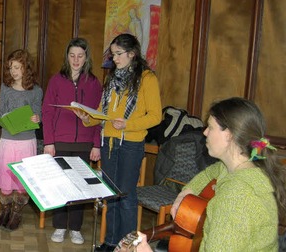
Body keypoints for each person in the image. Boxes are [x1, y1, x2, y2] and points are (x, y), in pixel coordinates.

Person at [118, 97, 286, 252]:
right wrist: (185, 193)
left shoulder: (236, 197)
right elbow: (212, 171)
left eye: (210, 127)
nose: (204, 132)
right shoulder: (245, 168)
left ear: (229, 136)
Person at [75, 33, 162, 251]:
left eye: (118, 54)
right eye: (112, 54)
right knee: (110, 195)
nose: (114, 59)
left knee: (126, 195)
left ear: (132, 54)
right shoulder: (112, 78)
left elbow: (155, 116)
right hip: (109, 142)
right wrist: (88, 119)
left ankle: (128, 246)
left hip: (131, 144)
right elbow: (105, 115)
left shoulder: (147, 79)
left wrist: (128, 124)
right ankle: (111, 242)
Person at [41, 38, 102, 244]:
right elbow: (47, 113)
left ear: (86, 58)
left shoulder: (94, 83)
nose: (76, 60)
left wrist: (96, 144)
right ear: (67, 57)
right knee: (59, 184)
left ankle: (75, 227)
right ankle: (59, 226)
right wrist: (49, 142)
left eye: (80, 56)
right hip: (59, 142)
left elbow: (98, 117)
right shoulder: (56, 80)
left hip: (84, 144)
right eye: (72, 55)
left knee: (79, 186)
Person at [0, 49, 42, 231]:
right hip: (8, 140)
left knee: (22, 178)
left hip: (26, 141)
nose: (14, 71)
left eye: (17, 67)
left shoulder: (36, 90)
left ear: (26, 67)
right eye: (11, 68)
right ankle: (7, 209)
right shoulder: (5, 88)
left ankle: (17, 212)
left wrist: (36, 118)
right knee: (6, 176)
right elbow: (2, 111)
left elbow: (38, 114)